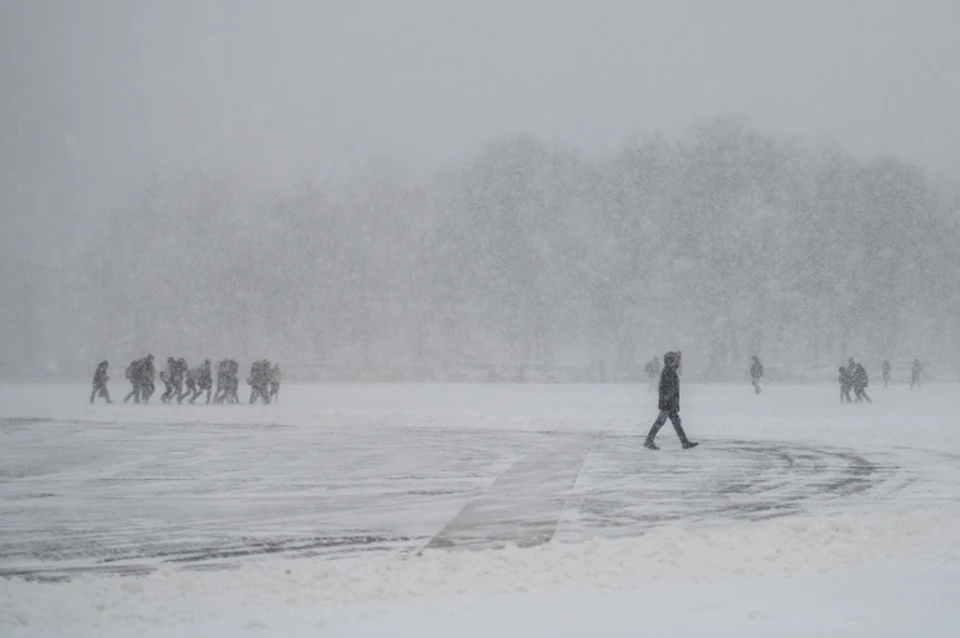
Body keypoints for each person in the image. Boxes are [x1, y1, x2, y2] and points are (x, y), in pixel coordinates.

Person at [644, 351, 697, 450]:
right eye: (674, 360)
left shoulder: (669, 369)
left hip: (670, 402)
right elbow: (667, 389)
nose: (675, 362)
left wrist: (679, 358)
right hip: (667, 403)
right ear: (669, 361)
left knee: (676, 423)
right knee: (660, 422)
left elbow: (675, 367)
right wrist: (670, 401)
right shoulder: (668, 371)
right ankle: (649, 441)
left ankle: (685, 442)